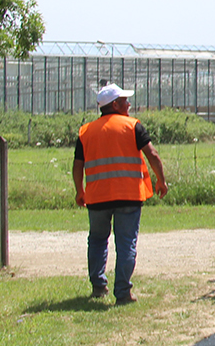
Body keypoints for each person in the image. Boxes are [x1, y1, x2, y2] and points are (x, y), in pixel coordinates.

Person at [72, 83, 168, 304]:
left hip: (96, 198)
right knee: (126, 242)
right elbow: (152, 154)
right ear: (115, 105)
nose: (129, 104)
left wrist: (80, 191)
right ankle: (123, 293)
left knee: (97, 240)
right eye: (125, 100)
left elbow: (78, 165)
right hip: (128, 196)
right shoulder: (133, 126)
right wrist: (161, 180)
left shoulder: (86, 131)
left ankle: (98, 286)